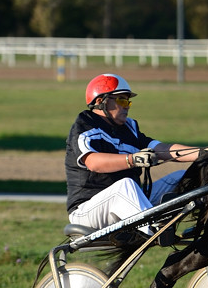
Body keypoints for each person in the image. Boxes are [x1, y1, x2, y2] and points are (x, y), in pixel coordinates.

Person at [65, 73, 200, 243]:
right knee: (125, 186)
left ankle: (201, 222)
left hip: (128, 205)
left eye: (128, 101)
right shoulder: (86, 124)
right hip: (87, 211)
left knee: (180, 176)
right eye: (121, 100)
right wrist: (132, 160)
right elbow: (93, 162)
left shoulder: (129, 128)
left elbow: (162, 149)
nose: (127, 106)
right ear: (101, 101)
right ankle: (157, 229)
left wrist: (203, 153)